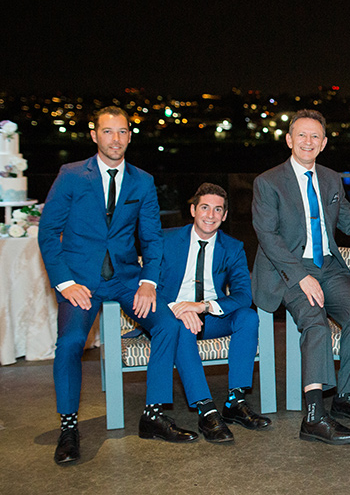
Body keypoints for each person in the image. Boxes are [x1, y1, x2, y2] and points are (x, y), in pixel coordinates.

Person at [39, 107, 193, 465]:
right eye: (108, 132)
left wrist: (149, 282)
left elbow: (152, 239)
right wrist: (64, 282)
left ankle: (153, 415)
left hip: (126, 278)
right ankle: (69, 428)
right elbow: (48, 232)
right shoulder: (72, 175)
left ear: (129, 136)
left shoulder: (142, 181)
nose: (116, 139)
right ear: (94, 135)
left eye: (122, 132)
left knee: (168, 325)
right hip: (81, 280)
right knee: (71, 343)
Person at [251, 109, 350, 445]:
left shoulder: (330, 178)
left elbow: (349, 223)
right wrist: (299, 276)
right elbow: (268, 237)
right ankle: (313, 417)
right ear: (289, 139)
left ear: (323, 144)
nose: (308, 141)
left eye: (315, 137)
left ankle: (347, 397)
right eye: (301, 135)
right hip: (289, 268)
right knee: (316, 323)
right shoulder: (267, 182)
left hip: (329, 265)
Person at [158, 183, 271, 444]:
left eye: (217, 209)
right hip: (172, 316)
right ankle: (206, 409)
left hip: (209, 316)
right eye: (205, 208)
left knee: (247, 317)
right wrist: (177, 308)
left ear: (225, 215)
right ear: (193, 210)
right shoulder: (166, 239)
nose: (211, 215)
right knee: (184, 325)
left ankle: (235, 400)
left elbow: (243, 294)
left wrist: (204, 306)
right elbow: (148, 284)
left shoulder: (232, 247)